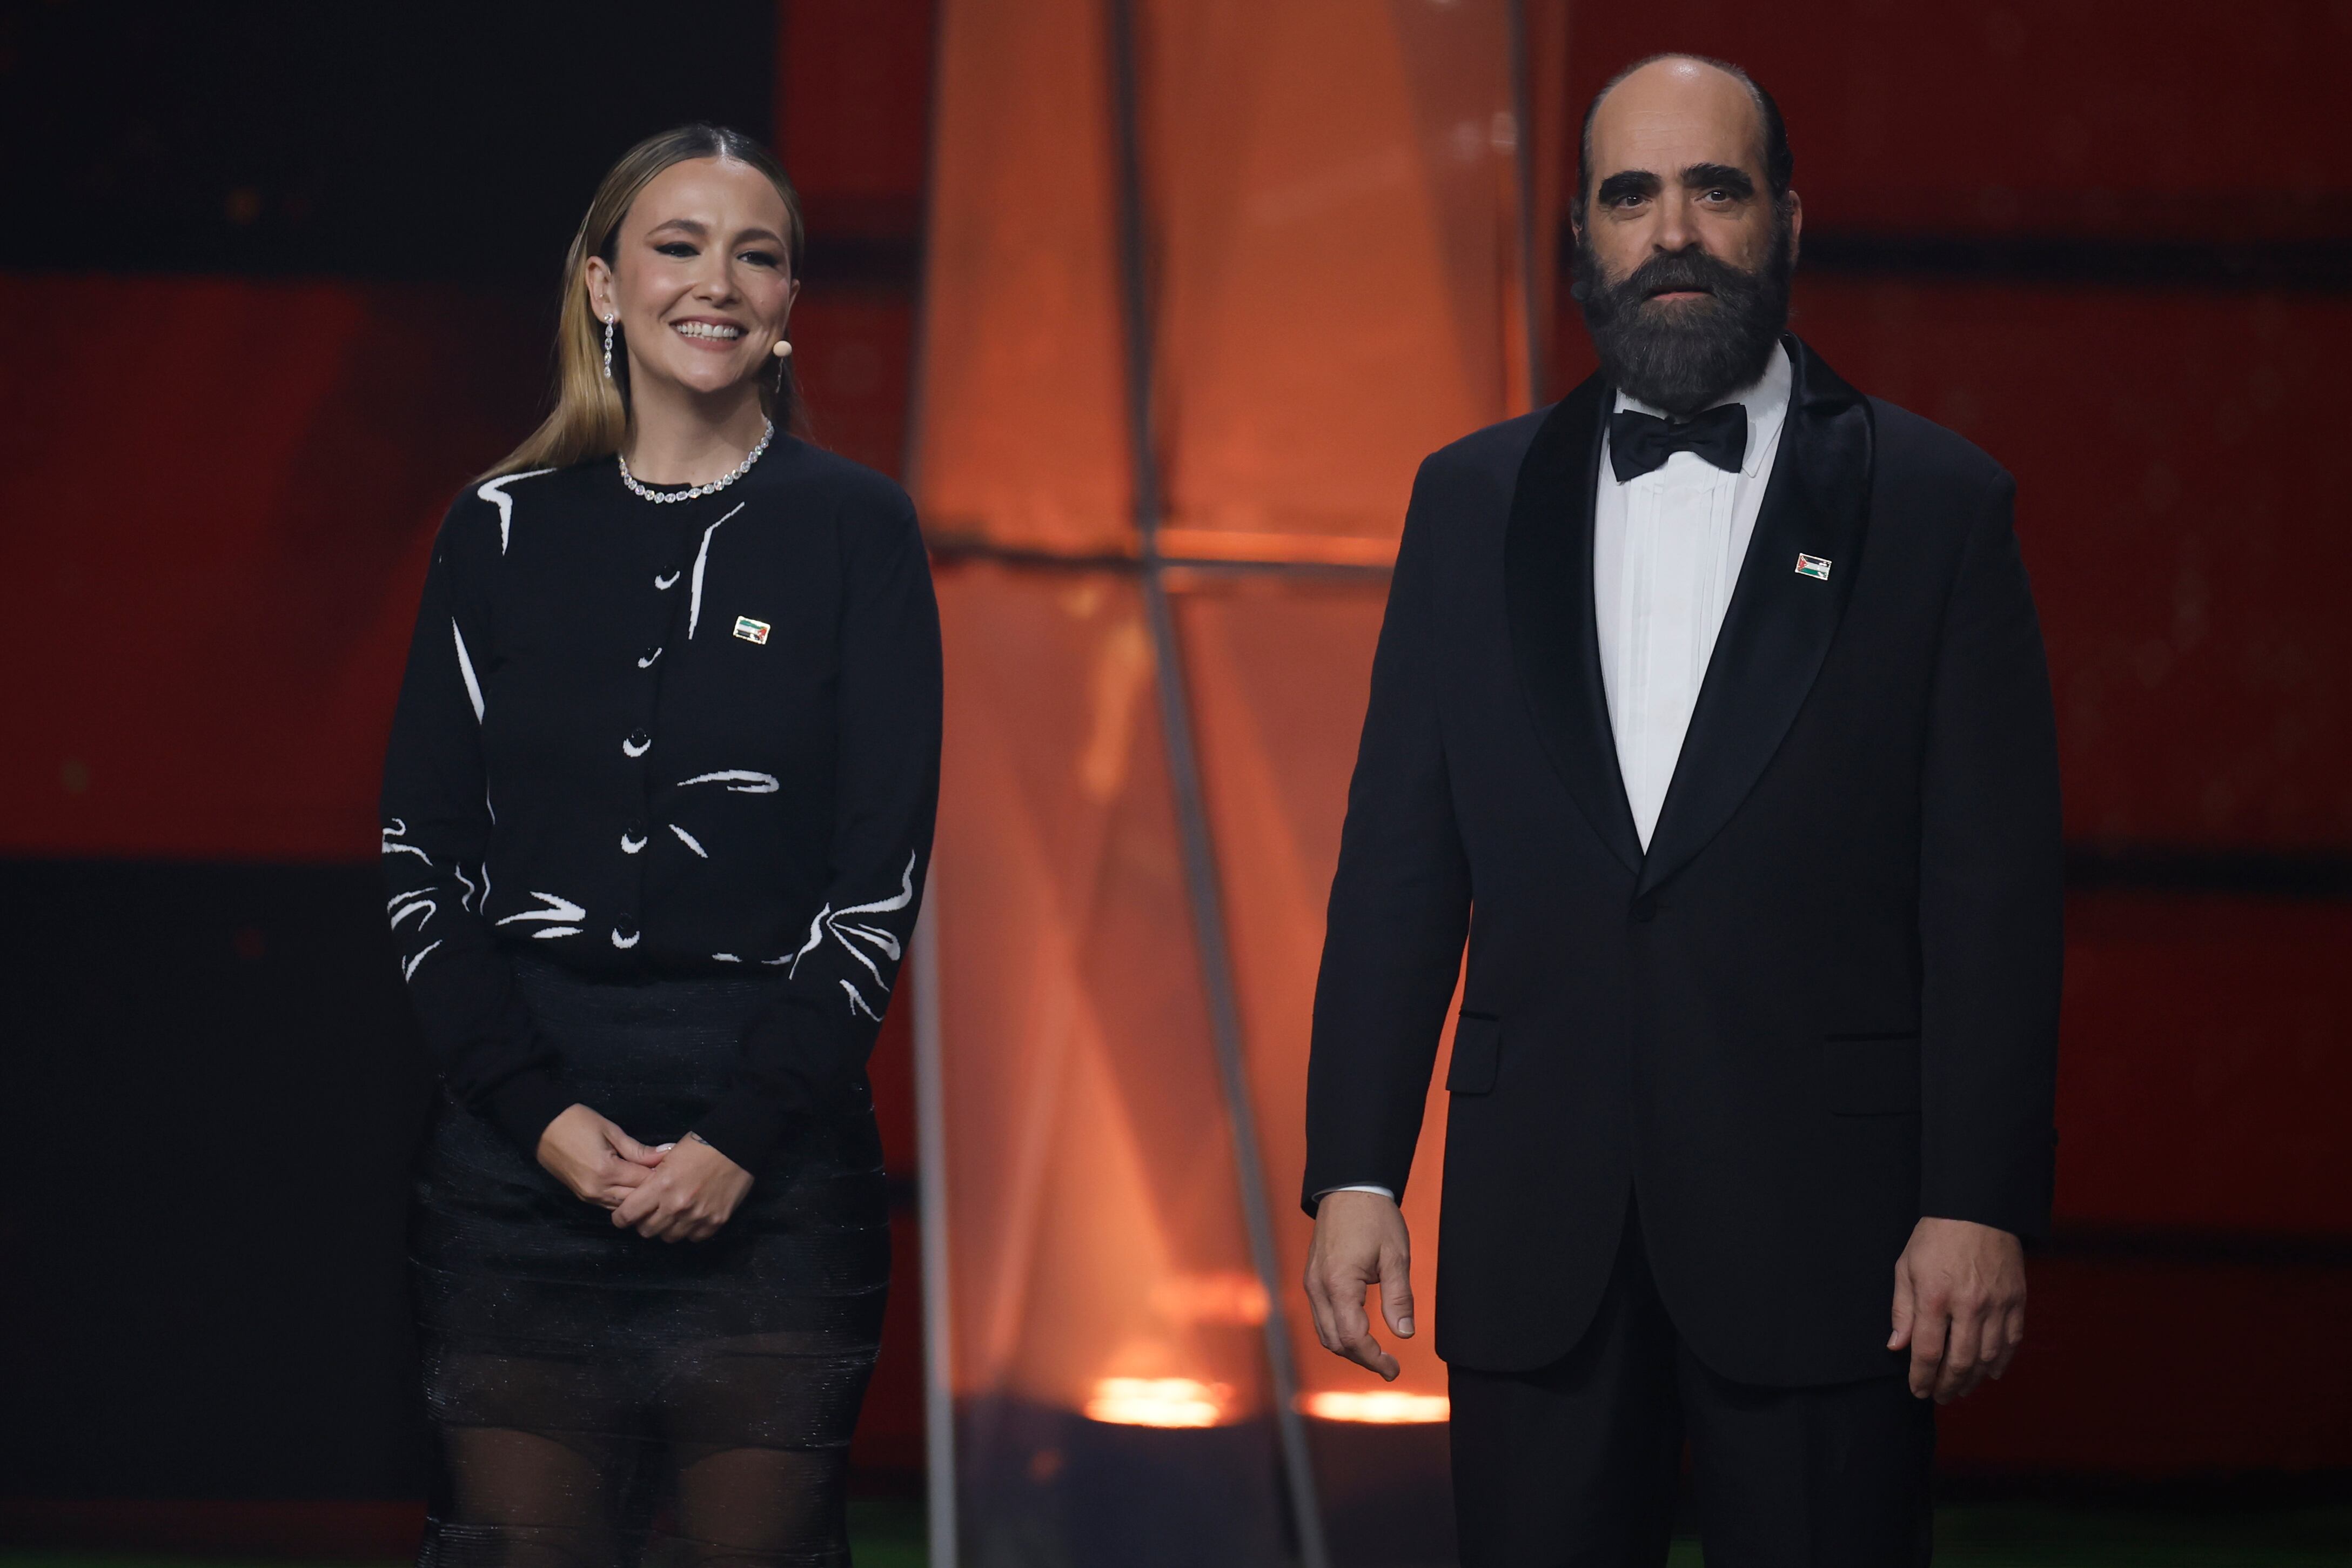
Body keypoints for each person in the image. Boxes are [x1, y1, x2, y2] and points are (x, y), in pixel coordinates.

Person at [1300, 55, 2060, 1564]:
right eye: (1629, 194)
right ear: (1581, 232)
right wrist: (1355, 1168)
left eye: (1713, 187)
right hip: (1536, 1227)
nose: (1672, 231)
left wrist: (1975, 1198)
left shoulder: (1933, 503)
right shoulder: (1468, 499)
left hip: (1830, 1231)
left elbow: (1991, 889)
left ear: (1783, 218)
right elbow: (1399, 858)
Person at [380, 124, 940, 1566]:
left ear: (790, 304)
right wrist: (537, 1120)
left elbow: (878, 883)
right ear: (602, 287)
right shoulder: (494, 529)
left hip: (778, 1164)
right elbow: (420, 860)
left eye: (756, 254)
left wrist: (739, 1141)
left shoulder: (858, 532)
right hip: (515, 1162)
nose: (718, 282)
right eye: (677, 246)